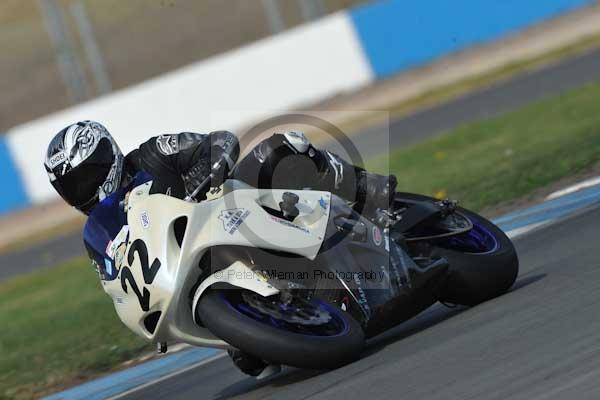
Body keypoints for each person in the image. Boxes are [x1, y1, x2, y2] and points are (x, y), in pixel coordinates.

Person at [44, 120, 397, 376]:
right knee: (250, 361)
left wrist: (204, 172)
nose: (81, 190)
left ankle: (374, 196)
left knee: (279, 149)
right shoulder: (99, 233)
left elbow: (217, 141)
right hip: (195, 271)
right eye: (70, 187)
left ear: (108, 157)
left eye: (85, 177)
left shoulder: (152, 155)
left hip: (236, 209)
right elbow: (116, 281)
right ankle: (281, 309)